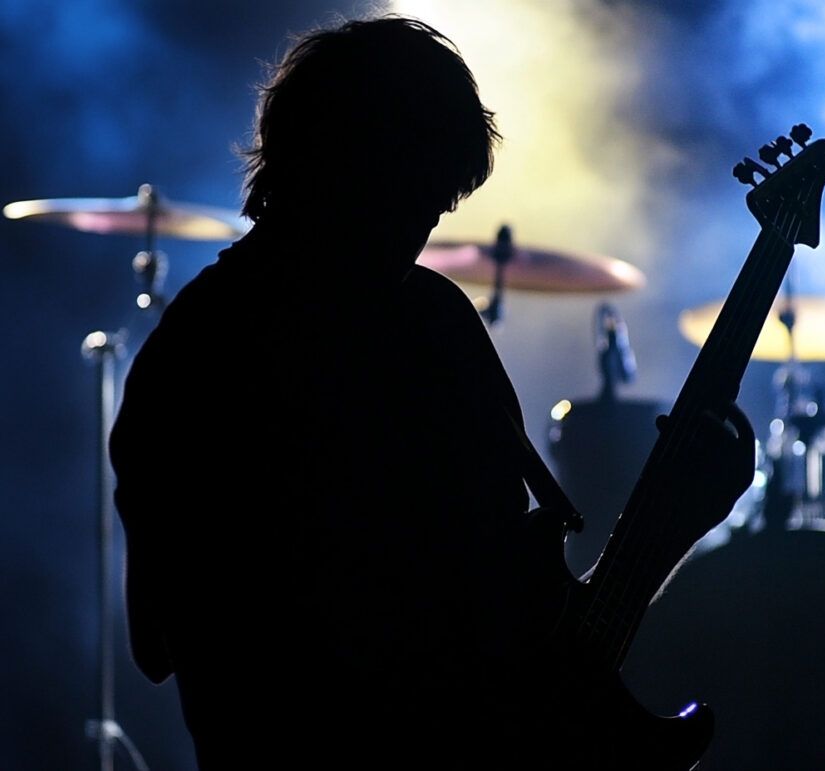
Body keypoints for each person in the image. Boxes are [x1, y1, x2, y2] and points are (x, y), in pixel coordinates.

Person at [110, 14, 753, 769]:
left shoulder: (406, 321)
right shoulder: (223, 354)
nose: (423, 229)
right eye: (418, 195)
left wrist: (675, 525)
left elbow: (540, 637)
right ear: (349, 165)